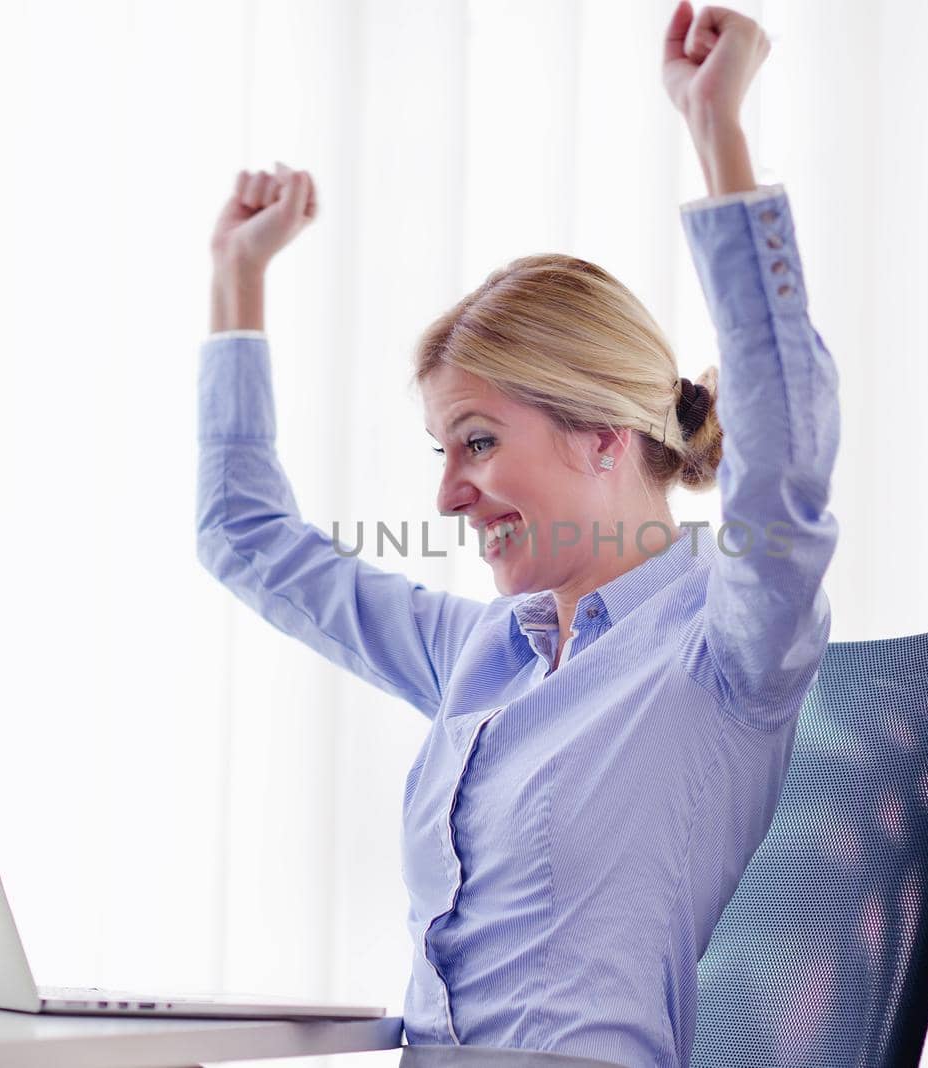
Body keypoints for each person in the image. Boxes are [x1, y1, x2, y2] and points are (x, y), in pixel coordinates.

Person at [195, 3, 841, 1065]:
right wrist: (237, 277)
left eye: (478, 442)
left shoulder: (728, 643)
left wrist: (716, 131)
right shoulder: (478, 657)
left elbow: (786, 455)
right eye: (442, 453)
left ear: (599, 435)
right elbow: (247, 542)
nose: (449, 496)